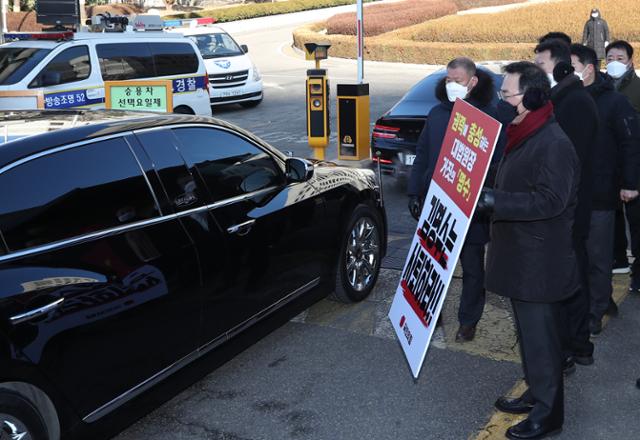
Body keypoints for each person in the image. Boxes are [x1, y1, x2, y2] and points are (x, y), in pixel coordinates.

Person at [480, 61, 580, 440]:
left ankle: (549, 414)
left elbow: (551, 201)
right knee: (530, 336)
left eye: (508, 94)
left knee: (542, 340)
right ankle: (537, 392)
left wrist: (494, 200)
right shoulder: (522, 131)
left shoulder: (554, 143)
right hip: (520, 255)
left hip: (539, 261)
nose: (503, 100)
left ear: (534, 96)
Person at [407, 57, 505, 342]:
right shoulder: (437, 113)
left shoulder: (488, 117)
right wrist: (415, 192)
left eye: (457, 81)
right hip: (436, 203)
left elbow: (498, 161)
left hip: (471, 206)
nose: (452, 85)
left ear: (473, 82)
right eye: (448, 80)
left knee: (473, 267)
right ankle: (427, 312)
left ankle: (468, 320)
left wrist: (486, 195)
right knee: (432, 262)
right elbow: (423, 154)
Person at [535, 39, 599, 361]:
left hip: (568, 209)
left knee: (570, 279)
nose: (537, 73)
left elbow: (565, 163)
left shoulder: (573, 103)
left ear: (561, 67)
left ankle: (572, 346)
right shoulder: (565, 98)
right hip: (568, 206)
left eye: (541, 66)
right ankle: (575, 344)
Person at [570, 44, 640, 334]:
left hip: (600, 190)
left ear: (587, 69)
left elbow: (630, 144)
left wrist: (630, 183)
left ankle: (596, 310)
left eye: (570, 66)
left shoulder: (613, 101)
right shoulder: (567, 98)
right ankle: (600, 300)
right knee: (578, 255)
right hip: (571, 192)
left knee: (598, 255)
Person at [605, 40, 640, 294]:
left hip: (633, 163)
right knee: (612, 217)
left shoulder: (637, 88)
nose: (614, 62)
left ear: (630, 61)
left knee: (636, 221)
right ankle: (617, 260)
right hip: (609, 165)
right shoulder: (601, 87)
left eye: (620, 57)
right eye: (610, 57)